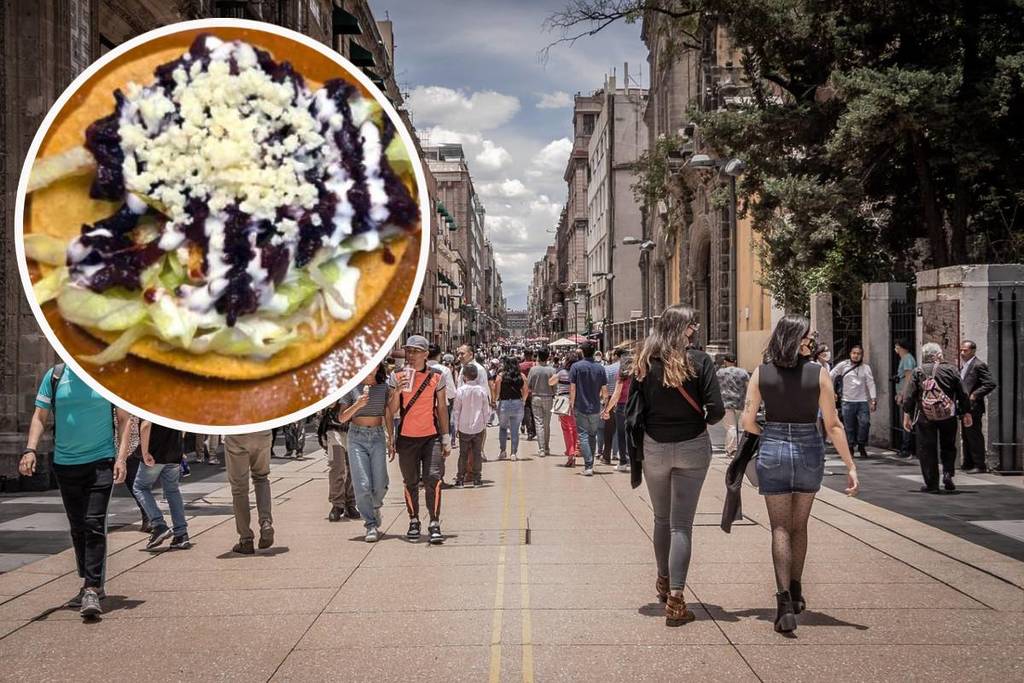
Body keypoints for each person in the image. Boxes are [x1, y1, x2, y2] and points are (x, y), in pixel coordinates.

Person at [741, 315, 859, 634]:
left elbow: (747, 421)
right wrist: (850, 465)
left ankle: (782, 605)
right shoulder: (819, 374)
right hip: (809, 446)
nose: (812, 340)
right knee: (799, 525)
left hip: (773, 446)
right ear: (796, 338)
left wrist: (767, 434)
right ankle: (795, 590)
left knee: (779, 527)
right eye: (808, 335)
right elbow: (833, 424)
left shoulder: (761, 373)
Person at [632, 305, 725, 626]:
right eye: (692, 325)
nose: (695, 330)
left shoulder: (644, 362)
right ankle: (676, 597)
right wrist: (698, 416)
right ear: (682, 328)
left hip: (655, 447)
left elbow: (635, 409)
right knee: (681, 524)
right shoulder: (700, 361)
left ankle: (662, 579)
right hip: (692, 447)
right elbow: (717, 411)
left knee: (661, 518)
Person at [20, 363, 131, 619]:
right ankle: (89, 580)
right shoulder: (55, 375)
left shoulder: (108, 376)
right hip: (65, 463)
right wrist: (30, 449)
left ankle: (92, 587)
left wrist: (121, 458)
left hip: (100, 461)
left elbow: (125, 420)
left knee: (93, 523)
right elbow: (40, 415)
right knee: (77, 526)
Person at [386, 335, 452, 544]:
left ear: (425, 354)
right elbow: (392, 410)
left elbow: (441, 407)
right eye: (408, 351)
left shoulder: (436, 377)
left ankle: (434, 522)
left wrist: (446, 436)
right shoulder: (397, 376)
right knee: (410, 482)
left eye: (415, 351)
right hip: (406, 438)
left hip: (431, 437)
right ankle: (414, 520)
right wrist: (396, 391)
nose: (411, 356)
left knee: (433, 478)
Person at [903, 342, 973, 492]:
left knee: (927, 448)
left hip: (925, 416)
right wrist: (966, 412)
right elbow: (963, 393)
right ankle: (947, 473)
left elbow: (909, 396)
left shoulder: (918, 371)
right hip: (948, 415)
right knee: (948, 445)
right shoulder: (951, 370)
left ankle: (932, 483)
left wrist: (907, 414)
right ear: (938, 355)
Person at [339, 365, 390, 541]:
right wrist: (358, 404)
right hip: (356, 436)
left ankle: (375, 507)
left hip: (377, 435)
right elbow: (342, 417)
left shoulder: (384, 387)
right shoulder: (351, 386)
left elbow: (389, 412)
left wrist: (392, 437)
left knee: (381, 484)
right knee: (362, 483)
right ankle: (370, 525)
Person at [122, 420, 190, 551]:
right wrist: (180, 446)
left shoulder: (151, 401)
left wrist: (145, 452)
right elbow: (184, 424)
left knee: (140, 487)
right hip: (174, 451)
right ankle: (181, 534)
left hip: (155, 452)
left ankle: (159, 525)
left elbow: (146, 425)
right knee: (173, 491)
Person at [224, 431, 274, 554]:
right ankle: (266, 522)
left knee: (239, 488)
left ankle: (246, 539)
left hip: (237, 433)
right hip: (262, 431)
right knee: (261, 478)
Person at [829, 345, 877, 458]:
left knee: (864, 423)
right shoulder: (843, 365)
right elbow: (831, 375)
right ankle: (850, 447)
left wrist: (873, 399)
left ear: (862, 355)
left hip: (862, 401)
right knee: (849, 426)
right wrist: (832, 391)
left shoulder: (866, 368)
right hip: (847, 401)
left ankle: (861, 445)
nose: (855, 355)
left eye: (858, 353)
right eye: (854, 353)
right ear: (850, 354)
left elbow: (871, 383)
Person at [569, 343, 608, 476]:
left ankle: (588, 465)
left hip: (580, 406)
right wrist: (606, 406)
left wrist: (571, 403)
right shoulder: (600, 368)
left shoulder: (576, 367)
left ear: (583, 352)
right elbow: (604, 390)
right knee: (592, 435)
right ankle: (590, 464)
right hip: (596, 407)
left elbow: (573, 388)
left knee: (583, 435)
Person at [958, 340, 997, 473]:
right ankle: (968, 462)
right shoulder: (964, 366)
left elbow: (990, 383)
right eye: (961, 350)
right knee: (966, 435)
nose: (962, 353)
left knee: (974, 435)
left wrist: (975, 395)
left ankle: (979, 465)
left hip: (974, 407)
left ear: (973, 351)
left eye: (965, 350)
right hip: (964, 406)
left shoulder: (979, 365)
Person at [322, 395, 359, 524]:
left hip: (355, 428)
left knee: (353, 468)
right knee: (337, 466)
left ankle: (350, 503)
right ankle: (337, 504)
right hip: (334, 428)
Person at [452, 363, 490, 487]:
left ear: (464, 376)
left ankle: (460, 479)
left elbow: (456, 410)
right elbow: (486, 410)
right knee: (477, 453)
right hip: (479, 426)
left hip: (463, 426)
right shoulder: (482, 391)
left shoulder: (460, 391)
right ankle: (477, 478)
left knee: (463, 454)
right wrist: (485, 423)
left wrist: (456, 427)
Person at [113, 412, 149, 531]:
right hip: (120, 443)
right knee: (135, 484)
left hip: (129, 444)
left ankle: (150, 516)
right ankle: (149, 516)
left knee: (135, 484)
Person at [602, 354, 634, 471]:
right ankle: (633, 462)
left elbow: (616, 394)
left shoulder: (621, 376)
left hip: (622, 407)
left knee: (622, 434)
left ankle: (623, 462)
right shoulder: (638, 375)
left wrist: (607, 409)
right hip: (635, 406)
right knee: (632, 434)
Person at [493, 357, 529, 460]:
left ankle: (503, 451)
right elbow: (526, 391)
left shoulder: (500, 376)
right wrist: (523, 401)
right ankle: (513, 453)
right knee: (515, 430)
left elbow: (497, 392)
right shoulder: (521, 376)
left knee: (503, 428)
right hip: (517, 403)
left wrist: (494, 402)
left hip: (504, 403)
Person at [716, 353, 750, 459]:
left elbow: (715, 387)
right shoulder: (743, 372)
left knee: (731, 427)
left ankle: (731, 449)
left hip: (725, 402)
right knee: (741, 428)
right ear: (735, 361)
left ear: (725, 362)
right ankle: (741, 449)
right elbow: (748, 386)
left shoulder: (720, 373)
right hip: (740, 402)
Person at [551, 353, 580, 466]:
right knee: (574, 428)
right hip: (576, 401)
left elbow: (551, 381)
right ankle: (574, 449)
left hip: (563, 401)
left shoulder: (562, 372)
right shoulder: (578, 373)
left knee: (566, 429)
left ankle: (570, 452)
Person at [527, 349, 557, 457]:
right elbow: (555, 386)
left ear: (538, 357)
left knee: (538, 423)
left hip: (536, 397)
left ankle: (541, 449)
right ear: (548, 357)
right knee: (546, 423)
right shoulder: (552, 370)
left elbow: (529, 385)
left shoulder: (533, 370)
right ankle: (547, 447)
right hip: (548, 398)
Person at [893, 340, 918, 459]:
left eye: (896, 346)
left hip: (905, 396)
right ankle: (905, 447)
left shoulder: (907, 358)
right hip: (903, 394)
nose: (895, 349)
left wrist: (903, 394)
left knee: (906, 421)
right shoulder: (904, 359)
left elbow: (908, 378)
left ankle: (906, 448)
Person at [600, 348, 625, 465]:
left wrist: (605, 404)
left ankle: (606, 456)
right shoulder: (632, 369)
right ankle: (625, 456)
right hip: (627, 401)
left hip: (611, 399)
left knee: (608, 430)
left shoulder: (608, 368)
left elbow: (603, 386)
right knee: (625, 430)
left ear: (616, 355)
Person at [519, 350, 537, 440]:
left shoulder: (521, 366)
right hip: (535, 391)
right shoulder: (536, 365)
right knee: (534, 413)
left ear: (524, 355)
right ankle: (534, 430)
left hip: (524, 392)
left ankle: (529, 432)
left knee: (526, 412)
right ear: (532, 355)